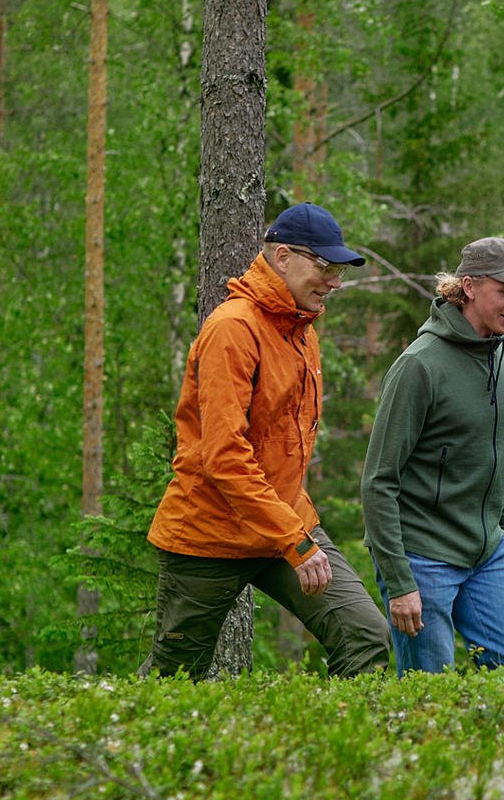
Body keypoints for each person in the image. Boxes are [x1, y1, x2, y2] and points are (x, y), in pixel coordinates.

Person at [146, 204, 391, 679]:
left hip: (284, 524)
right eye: (326, 267)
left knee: (365, 636)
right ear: (283, 257)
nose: (335, 281)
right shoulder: (232, 329)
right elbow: (224, 456)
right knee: (173, 681)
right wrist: (295, 542)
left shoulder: (303, 331)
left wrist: (292, 535)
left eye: (338, 270)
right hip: (208, 534)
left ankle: (336, 750)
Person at [362, 237, 504, 674]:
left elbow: (496, 456)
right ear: (468, 287)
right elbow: (378, 481)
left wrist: (503, 537)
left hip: (488, 557)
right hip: (423, 560)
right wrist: (400, 582)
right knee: (430, 701)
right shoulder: (419, 366)